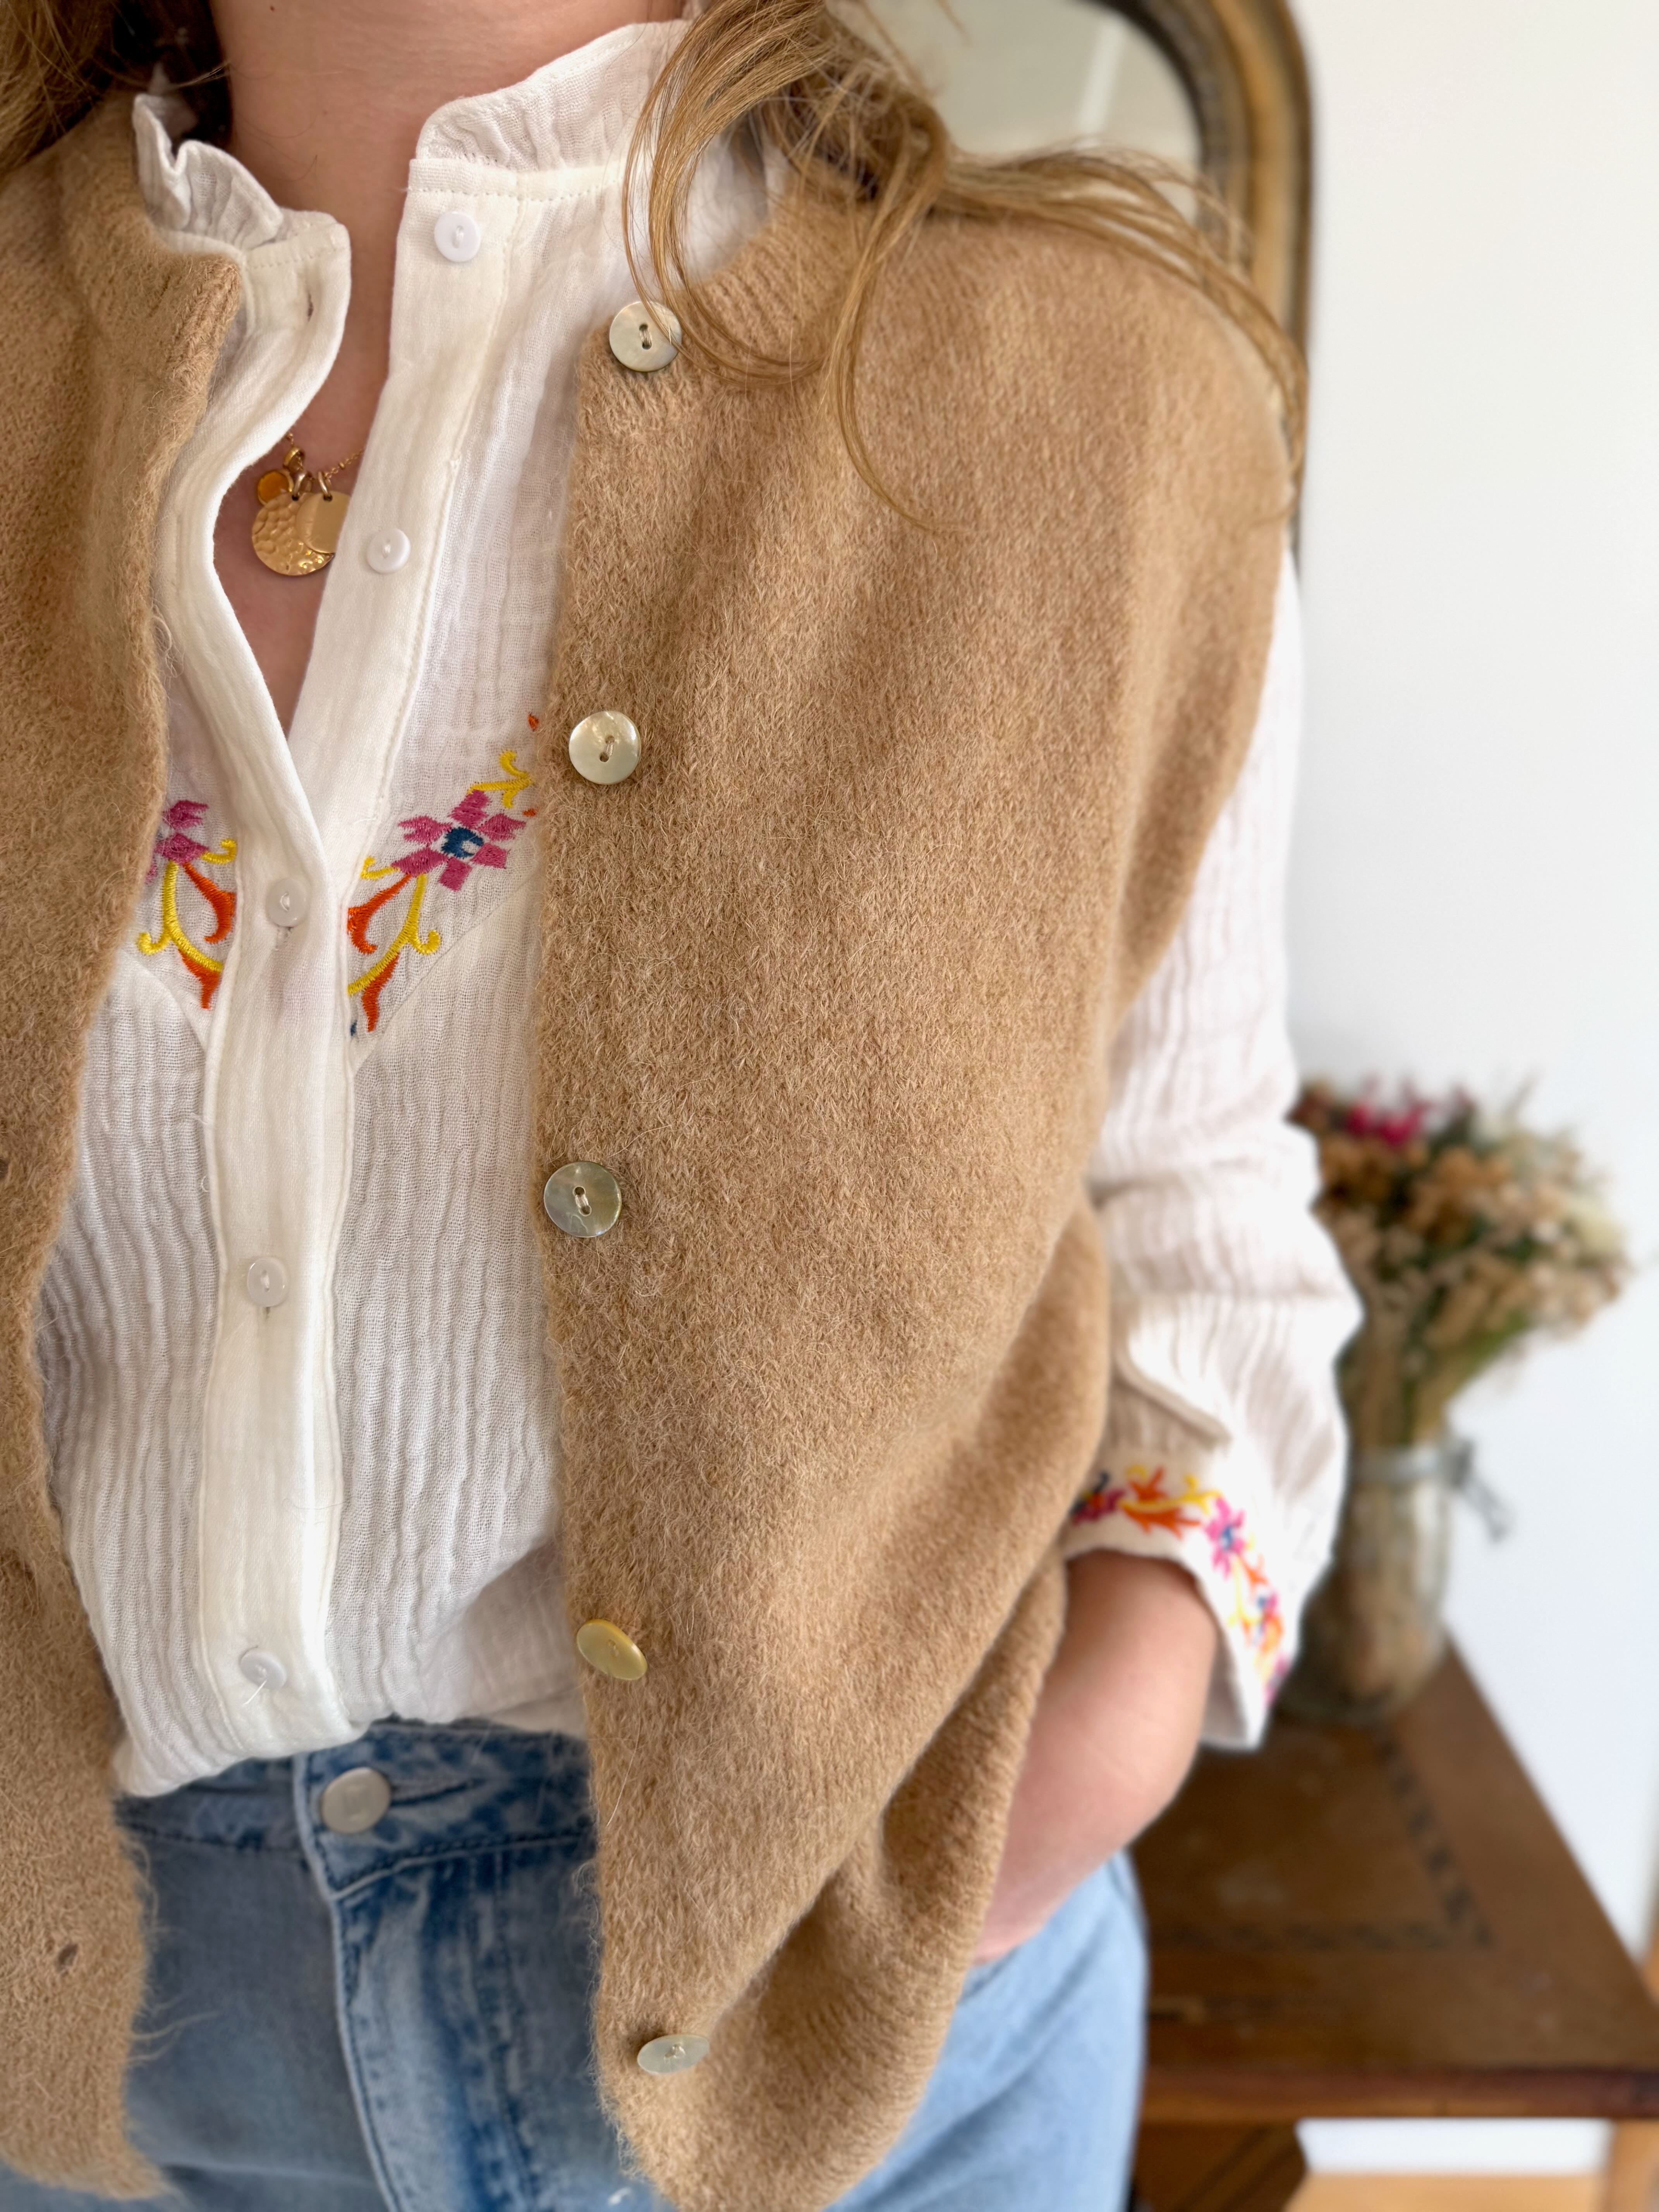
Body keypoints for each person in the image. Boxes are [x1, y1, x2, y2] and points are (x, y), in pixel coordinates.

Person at [0, 0, 1358, 2205]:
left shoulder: (1093, 407)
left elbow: (1202, 1230)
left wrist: (1031, 1823)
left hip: (879, 2054)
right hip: (82, 2062)